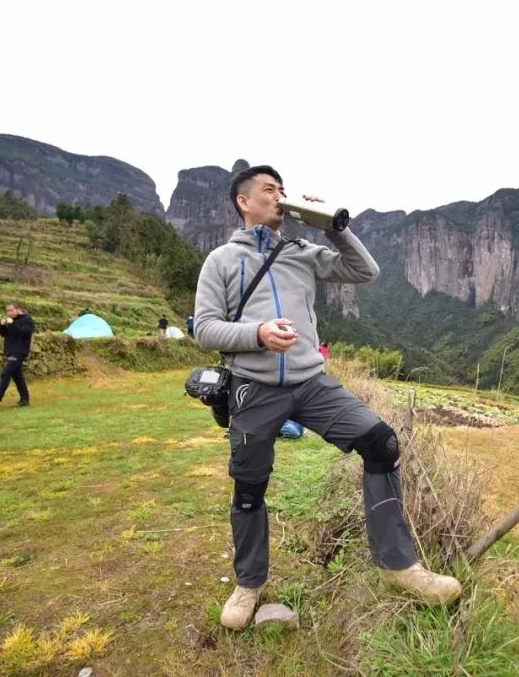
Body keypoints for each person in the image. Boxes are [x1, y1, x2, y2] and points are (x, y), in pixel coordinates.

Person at [194, 165, 461, 631]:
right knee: (250, 486)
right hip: (253, 388)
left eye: (282, 190)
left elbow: (366, 271)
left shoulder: (300, 251)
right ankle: (249, 583)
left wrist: (334, 229)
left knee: (381, 443)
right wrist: (257, 333)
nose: (279, 197)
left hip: (312, 384)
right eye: (269, 190)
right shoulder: (220, 260)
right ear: (244, 201)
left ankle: (399, 566)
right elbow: (205, 328)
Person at [0, 301, 34, 408]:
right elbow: (4, 334)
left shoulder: (27, 319)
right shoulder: (11, 320)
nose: (9, 312)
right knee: (17, 376)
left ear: (18, 309)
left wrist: (12, 324)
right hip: (11, 350)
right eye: (7, 311)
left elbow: (25, 333)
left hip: (19, 351)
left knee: (6, 373)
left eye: (11, 310)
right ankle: (25, 400)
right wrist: (2, 325)